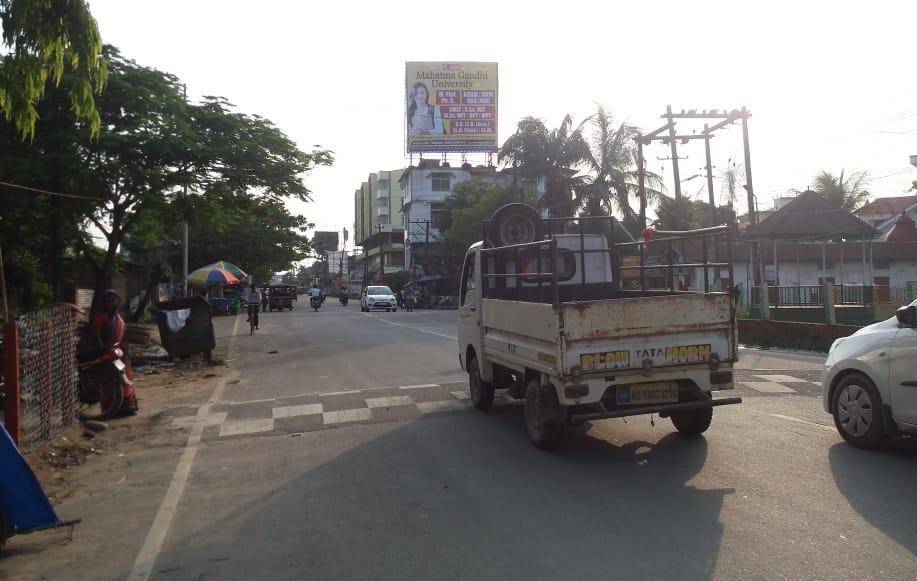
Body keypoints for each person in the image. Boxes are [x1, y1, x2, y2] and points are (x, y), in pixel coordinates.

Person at [79, 290, 139, 416]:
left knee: (126, 378)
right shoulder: (100, 317)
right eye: (109, 301)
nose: (112, 303)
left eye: (113, 301)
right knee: (110, 381)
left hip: (119, 353)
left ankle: (127, 408)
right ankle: (113, 409)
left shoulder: (118, 317)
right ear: (104, 303)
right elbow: (95, 335)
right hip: (107, 353)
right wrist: (101, 350)